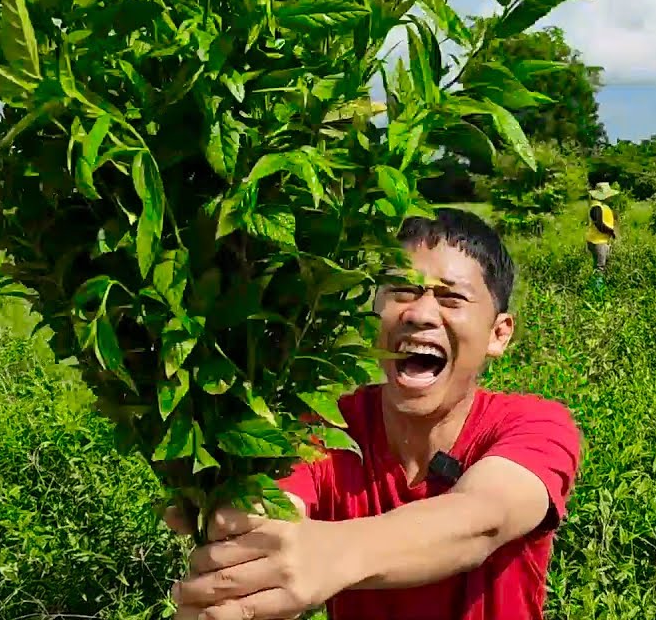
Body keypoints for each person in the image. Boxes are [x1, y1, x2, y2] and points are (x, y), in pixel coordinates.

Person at [166, 208, 582, 620]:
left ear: (499, 333)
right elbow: (275, 513)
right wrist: (244, 569)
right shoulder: (327, 430)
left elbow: (483, 518)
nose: (419, 314)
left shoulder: (535, 426)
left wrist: (330, 553)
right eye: (401, 290)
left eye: (451, 298)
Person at [585, 181, 619, 273]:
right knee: (600, 268)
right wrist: (611, 232)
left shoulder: (601, 206)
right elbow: (599, 225)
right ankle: (597, 287)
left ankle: (600, 286)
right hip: (597, 241)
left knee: (603, 266)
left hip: (601, 241)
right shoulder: (596, 207)